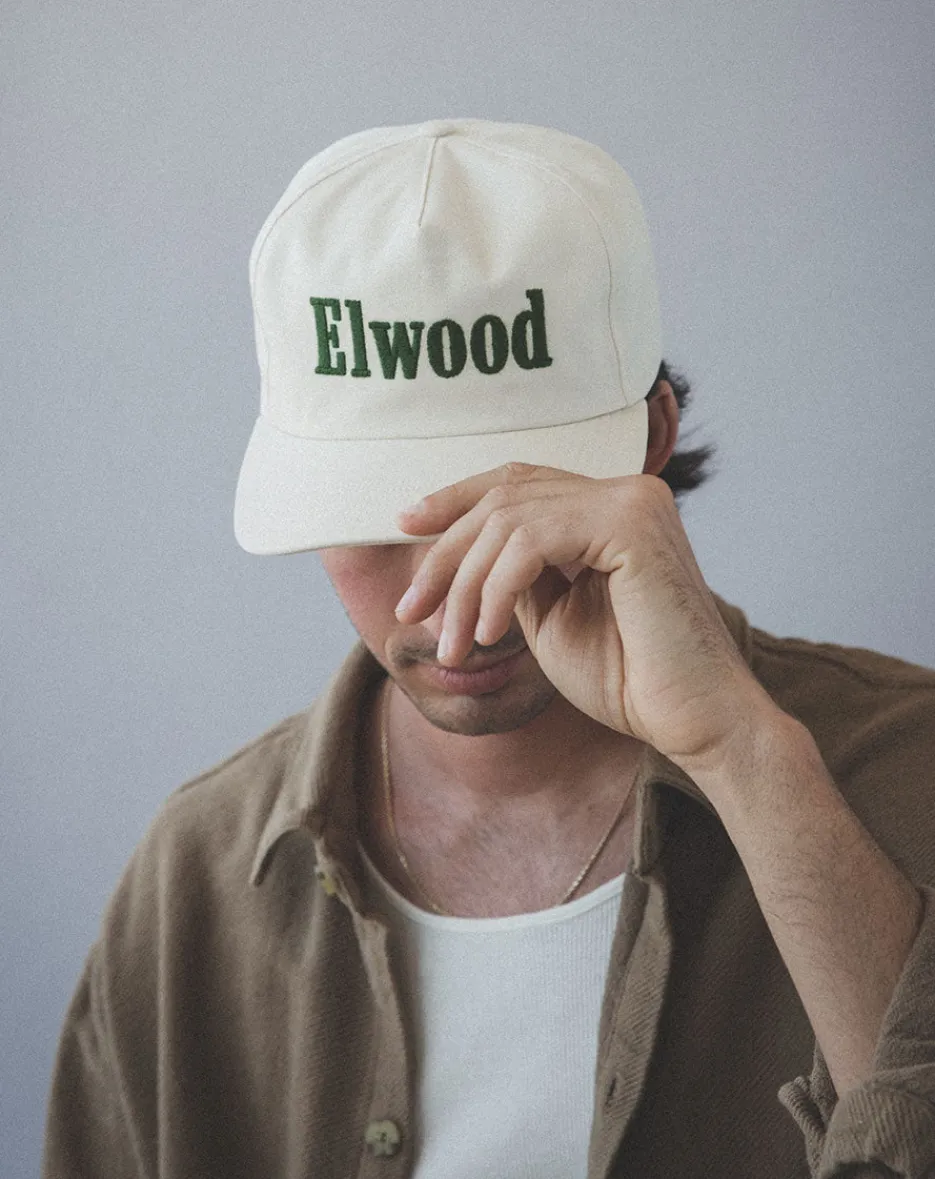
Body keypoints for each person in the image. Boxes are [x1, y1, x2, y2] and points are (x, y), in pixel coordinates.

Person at [43, 119, 935, 1178]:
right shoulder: (195, 878)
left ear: (650, 438)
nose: (452, 604)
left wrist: (744, 755)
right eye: (371, 516)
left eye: (513, 510)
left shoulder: (906, 772)